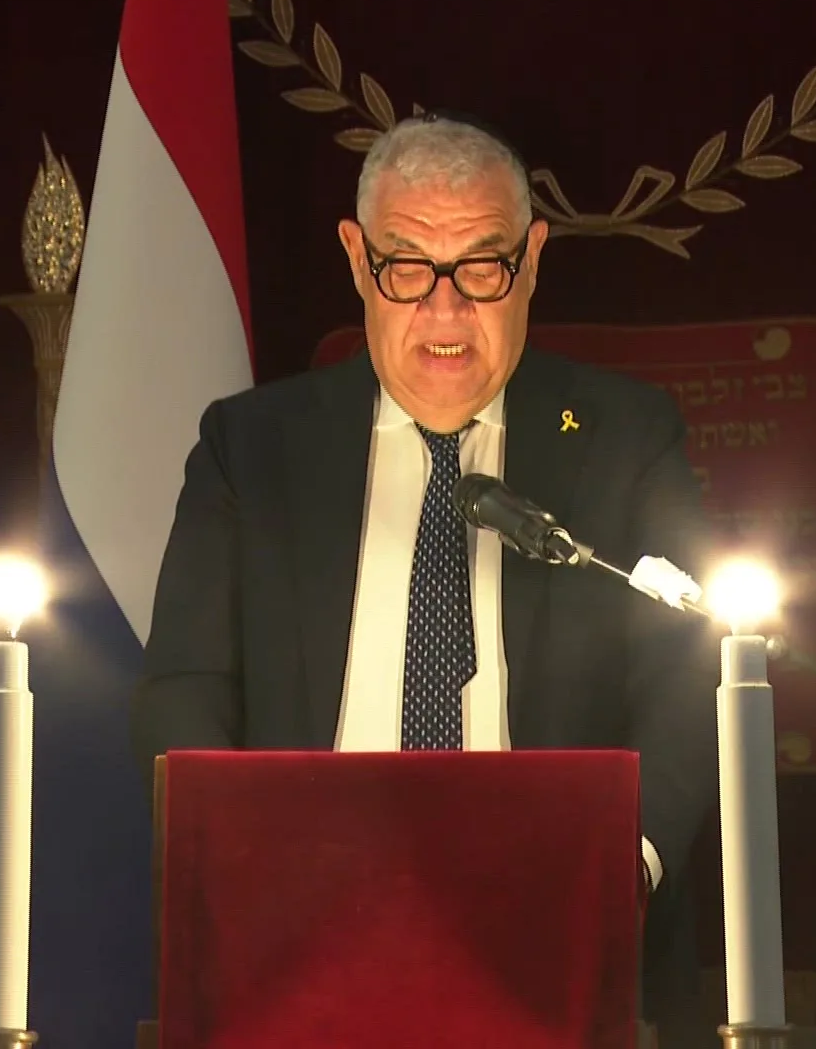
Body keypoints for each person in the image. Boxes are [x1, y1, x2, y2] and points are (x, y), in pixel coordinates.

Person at [132, 112, 719, 1034]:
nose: (445, 314)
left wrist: (618, 878)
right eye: (407, 268)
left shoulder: (625, 440)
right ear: (356, 257)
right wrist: (248, 877)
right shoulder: (250, 448)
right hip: (300, 942)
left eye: (482, 268)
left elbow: (688, 683)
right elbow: (184, 690)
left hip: (557, 945)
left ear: (531, 259)